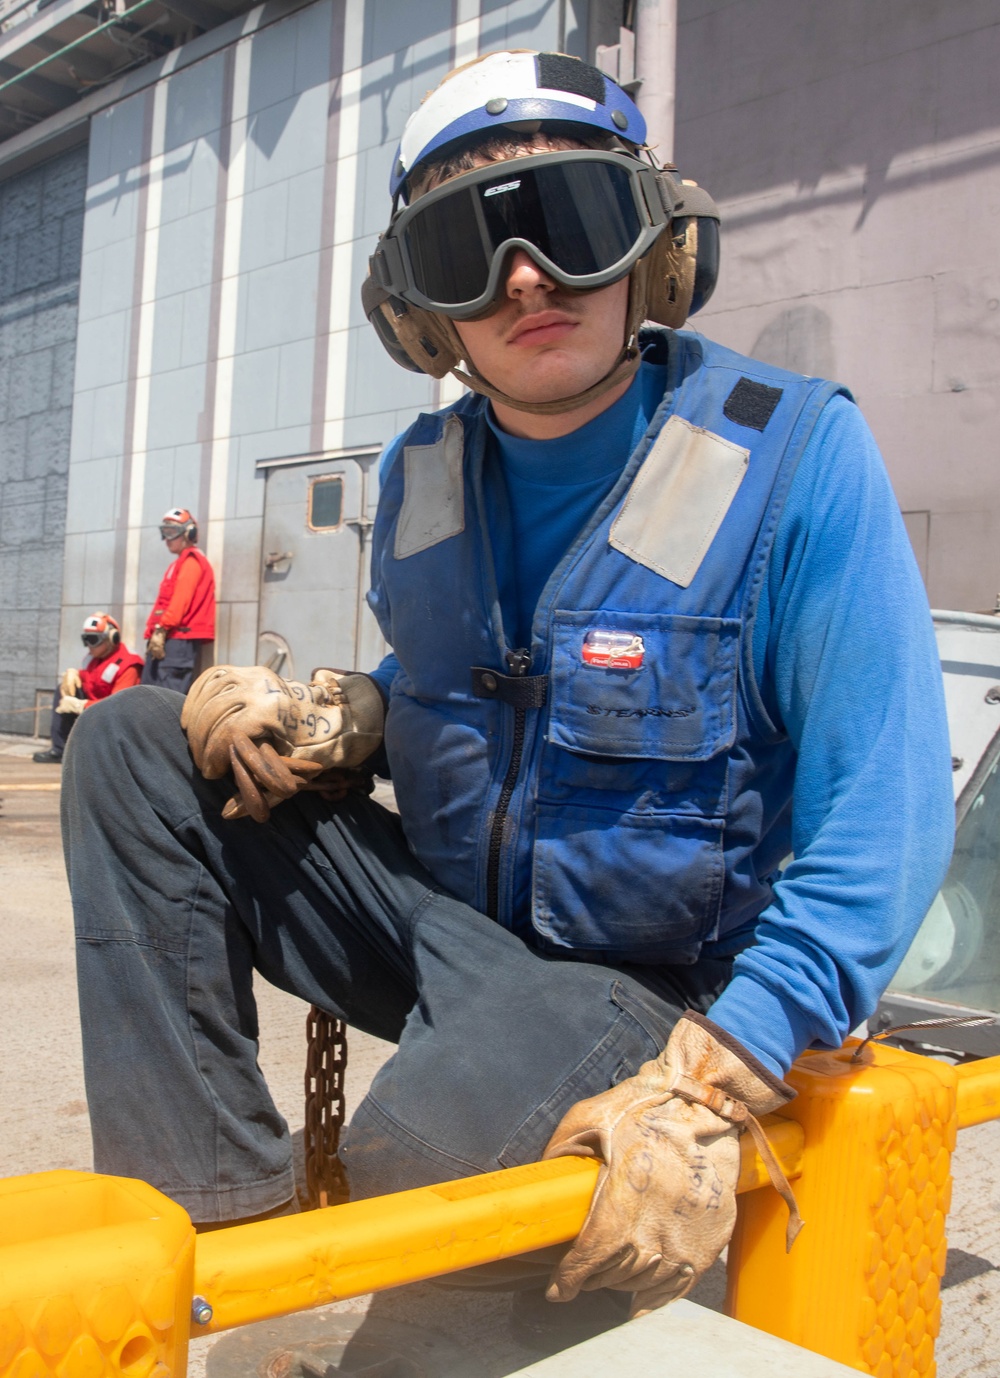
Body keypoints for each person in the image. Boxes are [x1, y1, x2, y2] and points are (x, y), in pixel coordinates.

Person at [62, 51, 954, 1316]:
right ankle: (212, 1246)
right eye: (464, 252)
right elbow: (479, 684)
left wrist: (723, 1069)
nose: (525, 279)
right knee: (133, 743)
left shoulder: (793, 457)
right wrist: (353, 717)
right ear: (420, 309)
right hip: (439, 925)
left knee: (418, 1159)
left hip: (652, 989)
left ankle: (450, 1194)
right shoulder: (424, 473)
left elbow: (888, 806)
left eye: (570, 222)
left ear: (653, 248)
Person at [32, 613, 142, 765]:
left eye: (93, 640)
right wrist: (72, 675)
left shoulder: (129, 664)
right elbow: (87, 678)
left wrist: (81, 705)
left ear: (111, 638)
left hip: (114, 716)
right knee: (62, 689)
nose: (88, 645)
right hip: (93, 706)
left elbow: (118, 704)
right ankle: (60, 749)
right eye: (86, 639)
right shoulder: (93, 657)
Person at [141, 507, 215, 693]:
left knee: (166, 699)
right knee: (150, 695)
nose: (167, 539)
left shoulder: (191, 562)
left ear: (189, 533)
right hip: (169, 637)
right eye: (164, 532)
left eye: (172, 532)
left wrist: (162, 628)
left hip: (176, 640)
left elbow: (180, 602)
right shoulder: (180, 563)